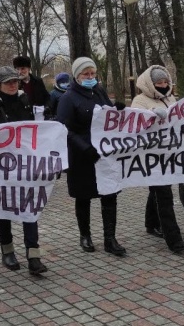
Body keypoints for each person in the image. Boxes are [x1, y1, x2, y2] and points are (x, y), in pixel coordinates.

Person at [56, 57, 127, 257]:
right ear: (76, 76)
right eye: (85, 74)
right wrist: (84, 147)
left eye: (92, 73)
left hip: (103, 153)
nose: (90, 77)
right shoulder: (68, 98)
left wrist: (118, 109)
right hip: (82, 155)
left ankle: (110, 238)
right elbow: (63, 128)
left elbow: (107, 114)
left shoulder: (99, 91)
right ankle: (85, 235)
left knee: (109, 194)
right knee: (83, 196)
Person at [0, 66, 48, 275]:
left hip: (25, 163)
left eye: (15, 81)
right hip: (2, 166)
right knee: (5, 209)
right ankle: (7, 250)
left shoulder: (24, 99)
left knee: (30, 207)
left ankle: (33, 254)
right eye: (8, 82)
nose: (12, 85)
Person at [131, 65, 184, 253]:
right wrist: (152, 117)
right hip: (152, 156)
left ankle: (151, 223)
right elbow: (134, 124)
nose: (163, 85)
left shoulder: (170, 98)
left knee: (157, 190)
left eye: (165, 82)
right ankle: (173, 237)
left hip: (170, 153)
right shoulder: (140, 100)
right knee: (164, 194)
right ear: (150, 84)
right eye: (159, 83)